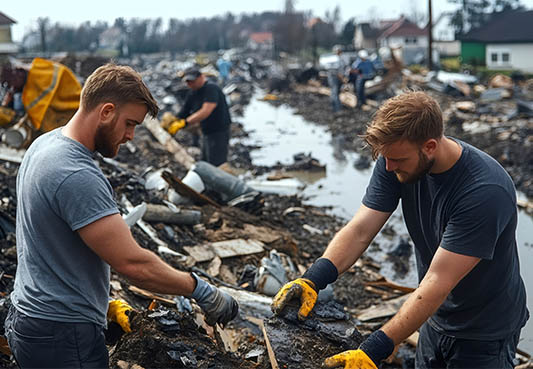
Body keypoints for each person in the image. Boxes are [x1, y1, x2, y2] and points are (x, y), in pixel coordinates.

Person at [4, 64, 239, 368]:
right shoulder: (75, 174)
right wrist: (202, 291)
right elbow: (133, 264)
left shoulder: (44, 145)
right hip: (61, 334)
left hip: (31, 315)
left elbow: (53, 243)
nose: (130, 136)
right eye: (130, 123)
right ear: (106, 111)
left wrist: (102, 303)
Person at [272, 91, 529, 369]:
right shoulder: (394, 159)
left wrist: (374, 348)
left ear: (430, 146)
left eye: (397, 160)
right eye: (385, 158)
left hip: (485, 332)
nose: (387, 166)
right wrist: (313, 279)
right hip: (432, 316)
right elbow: (361, 229)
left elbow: (438, 281)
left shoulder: (484, 191)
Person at [176, 67, 232, 166]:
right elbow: (184, 111)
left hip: (219, 131)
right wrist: (174, 120)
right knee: (206, 160)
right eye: (188, 82)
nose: (190, 84)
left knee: (216, 163)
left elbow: (206, 111)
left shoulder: (211, 88)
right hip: (206, 131)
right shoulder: (193, 92)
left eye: (192, 81)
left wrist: (185, 122)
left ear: (201, 77)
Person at [327, 45, 347, 113]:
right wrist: (342, 78)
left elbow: (343, 69)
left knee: (336, 93)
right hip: (334, 78)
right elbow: (335, 71)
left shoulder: (340, 59)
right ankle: (337, 109)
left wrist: (344, 76)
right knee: (334, 93)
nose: (339, 52)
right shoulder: (334, 59)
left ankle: (334, 108)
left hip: (338, 78)